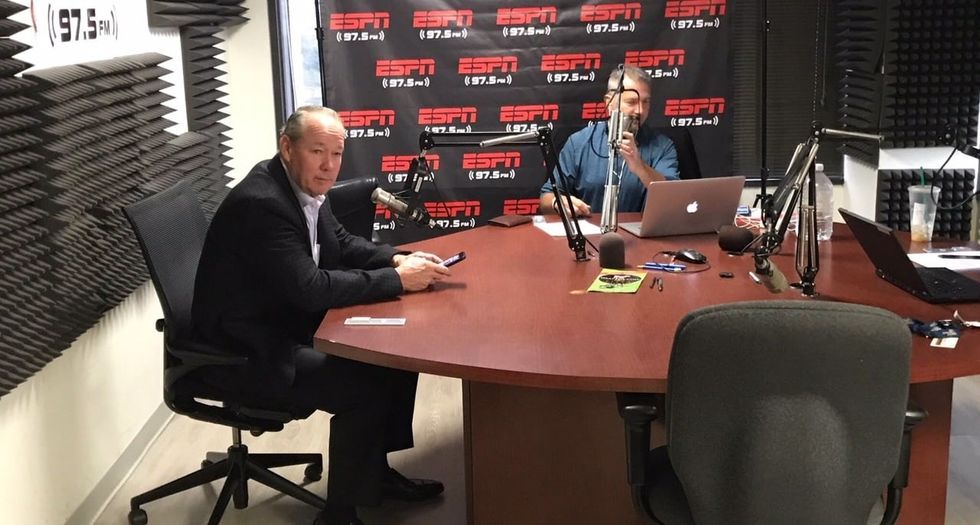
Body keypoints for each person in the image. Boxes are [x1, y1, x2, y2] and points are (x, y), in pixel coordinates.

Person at [192, 106, 450, 525]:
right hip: (247, 350)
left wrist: (399, 257)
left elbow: (343, 243)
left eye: (337, 153)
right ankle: (338, 514)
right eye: (318, 152)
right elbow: (310, 290)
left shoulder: (303, 186)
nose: (329, 166)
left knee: (396, 357)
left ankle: (375, 475)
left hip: (280, 320)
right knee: (365, 384)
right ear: (287, 148)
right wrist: (398, 280)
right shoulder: (263, 203)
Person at [539, 65, 680, 216]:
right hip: (590, 233)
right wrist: (557, 202)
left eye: (645, 102)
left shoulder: (663, 146)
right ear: (609, 102)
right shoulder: (579, 142)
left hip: (640, 235)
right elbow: (546, 197)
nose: (640, 110)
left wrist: (639, 166)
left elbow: (671, 197)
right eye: (632, 102)